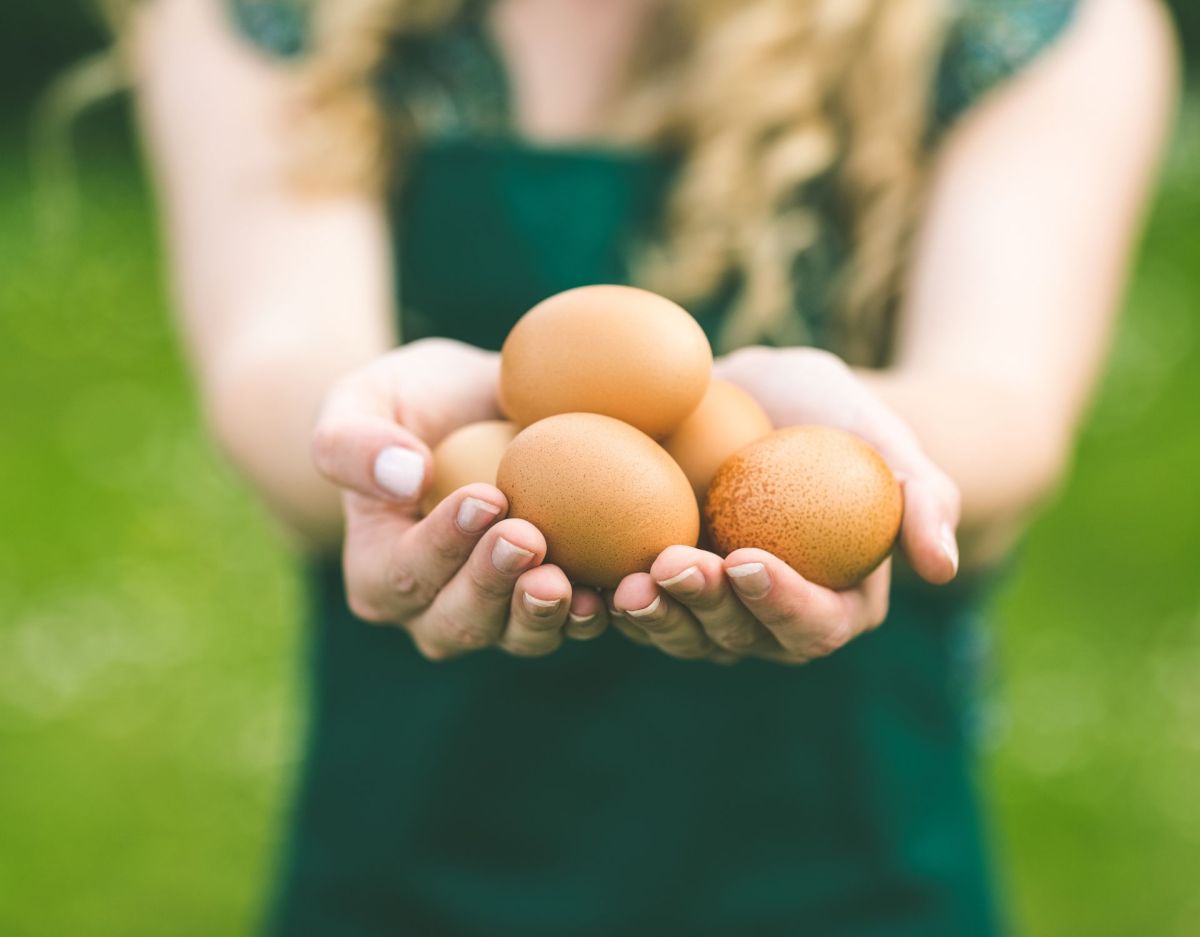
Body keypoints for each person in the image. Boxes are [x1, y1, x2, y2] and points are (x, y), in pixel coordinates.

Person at [122, 0, 1175, 932]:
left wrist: (840, 455)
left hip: (837, 851)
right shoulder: (288, 18)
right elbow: (273, 364)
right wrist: (389, 443)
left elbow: (1005, 404)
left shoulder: (1015, 26)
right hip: (421, 843)